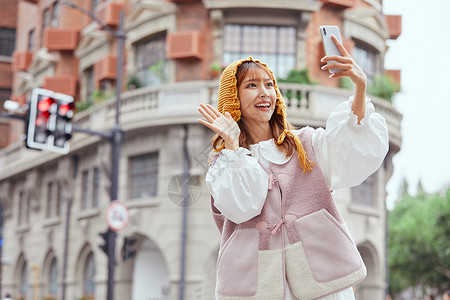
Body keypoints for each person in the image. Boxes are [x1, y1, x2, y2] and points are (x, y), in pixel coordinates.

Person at [197, 35, 388, 300]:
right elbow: (244, 208)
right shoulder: (224, 164)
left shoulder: (307, 145)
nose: (265, 92)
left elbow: (353, 154)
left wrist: (360, 88)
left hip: (323, 285)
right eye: (252, 85)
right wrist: (233, 147)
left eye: (269, 84)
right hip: (256, 286)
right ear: (233, 98)